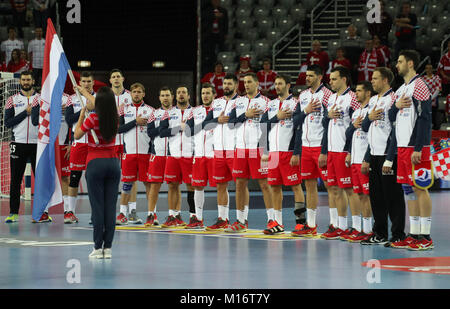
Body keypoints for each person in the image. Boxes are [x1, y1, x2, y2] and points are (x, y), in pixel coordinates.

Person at [388, 50, 433, 251]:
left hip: (416, 148)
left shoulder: (419, 86)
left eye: (400, 61)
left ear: (411, 63)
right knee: (408, 190)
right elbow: (389, 117)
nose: (397, 65)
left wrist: (417, 147)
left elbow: (425, 119)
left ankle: (426, 236)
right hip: (402, 148)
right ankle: (414, 234)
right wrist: (396, 106)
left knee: (420, 188)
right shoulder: (400, 90)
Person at [73, 86, 120, 259]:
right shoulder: (115, 118)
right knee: (110, 207)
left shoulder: (92, 118)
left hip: (95, 164)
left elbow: (77, 135)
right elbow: (99, 103)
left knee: (97, 208)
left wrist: (81, 116)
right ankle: (108, 248)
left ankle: (97, 247)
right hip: (113, 163)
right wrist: (84, 92)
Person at [360, 67, 406, 246]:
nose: (372, 81)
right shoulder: (372, 100)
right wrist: (369, 118)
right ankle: (379, 233)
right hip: (374, 154)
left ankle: (398, 234)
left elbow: (396, 131)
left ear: (385, 80)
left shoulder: (393, 99)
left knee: (393, 197)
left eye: (375, 78)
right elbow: (365, 128)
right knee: (376, 197)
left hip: (388, 155)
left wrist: (389, 157)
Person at [291, 65, 334, 237]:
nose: (307, 78)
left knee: (332, 187)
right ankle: (310, 224)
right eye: (306, 75)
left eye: (310, 75)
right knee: (310, 185)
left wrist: (324, 149)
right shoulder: (303, 95)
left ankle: (335, 224)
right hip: (306, 146)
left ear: (320, 76)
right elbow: (295, 120)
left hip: (321, 146)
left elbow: (330, 124)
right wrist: (306, 111)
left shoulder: (328, 95)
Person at [226, 72, 273, 233]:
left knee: (265, 184)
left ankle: (272, 220)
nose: (246, 85)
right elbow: (231, 124)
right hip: (240, 149)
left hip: (258, 149)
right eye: (244, 82)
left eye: (249, 82)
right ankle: (241, 220)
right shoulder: (238, 102)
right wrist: (245, 115)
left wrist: (267, 148)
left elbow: (271, 126)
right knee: (240, 184)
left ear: (257, 83)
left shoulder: (266, 102)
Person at [319, 66, 362, 240]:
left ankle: (358, 227)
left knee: (350, 190)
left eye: (334, 79)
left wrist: (349, 150)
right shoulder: (330, 99)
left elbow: (357, 127)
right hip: (331, 151)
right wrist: (324, 151)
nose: (330, 81)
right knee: (334, 189)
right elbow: (325, 124)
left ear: (344, 79)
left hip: (344, 151)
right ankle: (340, 226)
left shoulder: (352, 99)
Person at [260, 74, 305, 234]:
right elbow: (263, 125)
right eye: (276, 84)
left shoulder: (295, 104)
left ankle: (300, 222)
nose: (277, 86)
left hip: (288, 152)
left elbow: (300, 129)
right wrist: (276, 117)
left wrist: (296, 152)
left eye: (280, 83)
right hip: (273, 154)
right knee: (274, 187)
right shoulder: (271, 105)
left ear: (288, 85)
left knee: (296, 187)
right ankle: (277, 223)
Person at [201, 74, 241, 231]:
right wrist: (217, 120)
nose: (226, 86)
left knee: (240, 184)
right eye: (225, 83)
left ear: (236, 85)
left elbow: (243, 121)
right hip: (218, 150)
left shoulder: (241, 102)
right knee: (220, 185)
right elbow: (205, 124)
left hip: (234, 149)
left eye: (230, 84)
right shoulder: (216, 103)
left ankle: (240, 219)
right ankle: (222, 219)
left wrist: (230, 121)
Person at [4, 71, 41, 223]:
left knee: (40, 180)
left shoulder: (41, 99)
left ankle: (41, 213)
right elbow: (8, 123)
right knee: (15, 180)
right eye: (24, 79)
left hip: (37, 144)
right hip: (17, 143)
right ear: (20, 81)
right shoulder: (12, 100)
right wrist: (25, 113)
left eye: (28, 79)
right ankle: (13, 213)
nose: (26, 82)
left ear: (33, 81)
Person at [116, 83, 153, 225]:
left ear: (144, 94)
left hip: (146, 153)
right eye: (134, 92)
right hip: (129, 153)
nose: (136, 94)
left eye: (139, 92)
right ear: (130, 94)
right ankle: (122, 214)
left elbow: (155, 132)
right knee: (127, 183)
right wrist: (135, 122)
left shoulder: (151, 111)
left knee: (149, 184)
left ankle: (151, 214)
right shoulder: (123, 110)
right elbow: (119, 129)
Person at [159, 86, 195, 227]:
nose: (181, 95)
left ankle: (193, 217)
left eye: (184, 92)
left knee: (191, 186)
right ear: (175, 96)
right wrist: (178, 128)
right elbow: (162, 132)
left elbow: (194, 130)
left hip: (189, 154)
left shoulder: (194, 112)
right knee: (172, 185)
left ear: (188, 96)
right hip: (173, 155)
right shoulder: (168, 113)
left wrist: (186, 128)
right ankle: (172, 216)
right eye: (179, 92)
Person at [342, 81, 374, 242]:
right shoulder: (356, 113)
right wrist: (348, 153)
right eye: (356, 91)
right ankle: (362, 228)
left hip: (364, 160)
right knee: (359, 194)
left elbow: (373, 138)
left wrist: (367, 159)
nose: (356, 94)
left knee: (367, 195)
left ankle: (368, 229)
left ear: (368, 93)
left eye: (359, 90)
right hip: (354, 159)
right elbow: (349, 134)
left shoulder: (371, 111)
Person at [65, 71, 96, 222]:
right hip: (78, 142)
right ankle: (69, 212)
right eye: (83, 81)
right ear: (80, 82)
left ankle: (95, 214)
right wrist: (84, 111)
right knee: (74, 178)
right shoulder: (72, 99)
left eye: (89, 81)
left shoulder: (99, 98)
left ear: (93, 82)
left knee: (94, 179)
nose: (86, 84)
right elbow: (69, 119)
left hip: (94, 143)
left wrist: (93, 109)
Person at [109, 69, 138, 224]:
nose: (116, 79)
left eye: (118, 76)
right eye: (113, 77)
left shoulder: (130, 96)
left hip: (128, 142)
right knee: (110, 178)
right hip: (110, 142)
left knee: (130, 178)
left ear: (123, 79)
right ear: (110, 80)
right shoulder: (106, 96)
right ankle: (109, 212)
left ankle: (131, 212)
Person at [186, 83, 217, 229]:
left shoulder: (219, 109)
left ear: (214, 95)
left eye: (208, 93)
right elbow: (188, 130)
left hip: (214, 154)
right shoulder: (195, 111)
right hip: (198, 154)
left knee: (221, 187)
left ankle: (224, 218)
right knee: (197, 186)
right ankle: (198, 219)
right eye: (203, 93)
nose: (205, 95)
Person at [145, 86, 176, 227]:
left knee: (174, 185)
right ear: (159, 98)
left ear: (172, 96)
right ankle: (151, 214)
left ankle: (175, 215)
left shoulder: (178, 113)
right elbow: (150, 133)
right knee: (154, 185)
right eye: (162, 95)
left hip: (174, 154)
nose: (165, 97)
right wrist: (164, 129)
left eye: (167, 95)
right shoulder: (154, 113)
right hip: (157, 154)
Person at [60, 92, 76, 223]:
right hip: (47, 145)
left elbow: (71, 123)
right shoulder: (42, 97)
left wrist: (71, 143)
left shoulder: (68, 98)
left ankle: (67, 210)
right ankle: (44, 211)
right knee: (47, 178)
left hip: (64, 145)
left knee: (65, 177)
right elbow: (36, 120)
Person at [201, 0, 228, 76]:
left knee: (220, 52)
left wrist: (225, 34)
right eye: (215, 1)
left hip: (219, 36)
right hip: (209, 36)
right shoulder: (206, 11)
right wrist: (213, 15)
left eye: (218, 1)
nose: (216, 2)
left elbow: (226, 23)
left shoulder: (223, 11)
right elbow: (203, 18)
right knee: (210, 55)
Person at [421, 63, 442, 130]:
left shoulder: (436, 78)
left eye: (430, 68)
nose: (429, 70)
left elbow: (438, 89)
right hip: (424, 100)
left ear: (432, 69)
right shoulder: (422, 78)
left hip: (433, 101)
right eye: (427, 68)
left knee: (433, 117)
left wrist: (431, 98)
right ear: (425, 69)